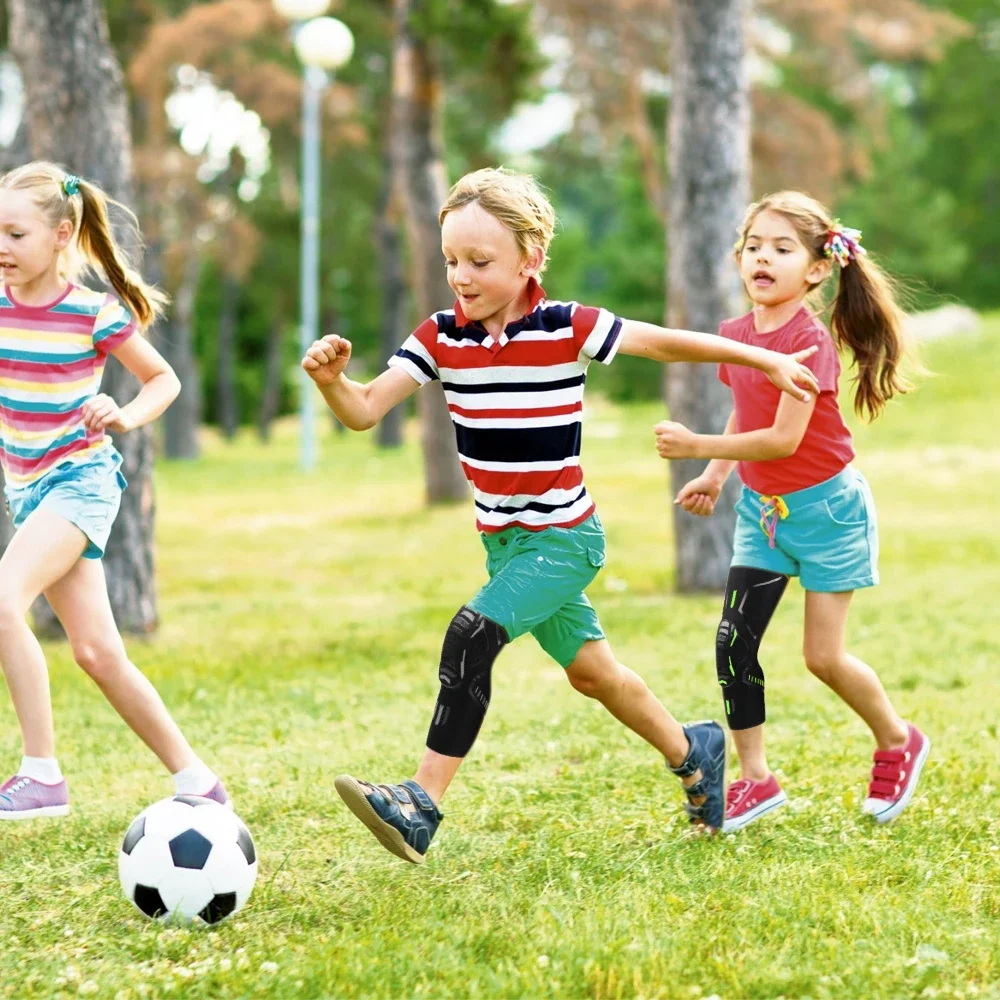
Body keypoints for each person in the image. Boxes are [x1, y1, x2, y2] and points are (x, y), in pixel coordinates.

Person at [303, 168, 819, 862]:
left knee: (471, 636)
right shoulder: (439, 339)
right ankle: (694, 751)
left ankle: (420, 804)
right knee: (593, 674)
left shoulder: (566, 326)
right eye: (453, 258)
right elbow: (365, 411)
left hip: (566, 539)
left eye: (480, 262)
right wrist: (334, 383)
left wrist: (761, 357)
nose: (462, 274)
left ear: (529, 261)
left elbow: (666, 341)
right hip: (505, 546)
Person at [655, 190, 928, 832]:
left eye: (782, 248)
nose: (762, 258)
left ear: (815, 269)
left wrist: (699, 445)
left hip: (829, 513)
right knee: (733, 643)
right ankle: (757, 780)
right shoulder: (740, 336)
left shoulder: (809, 344)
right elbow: (745, 410)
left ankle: (896, 739)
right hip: (763, 513)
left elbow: (783, 439)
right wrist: (716, 474)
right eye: (754, 246)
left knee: (822, 659)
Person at [0, 162, 227, 819]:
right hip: (29, 491)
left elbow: (164, 380)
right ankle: (199, 782)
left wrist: (123, 414)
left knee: (3, 597)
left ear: (61, 234)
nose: (3, 247)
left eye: (16, 234)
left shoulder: (89, 314)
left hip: (80, 480)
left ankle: (41, 773)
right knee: (98, 653)